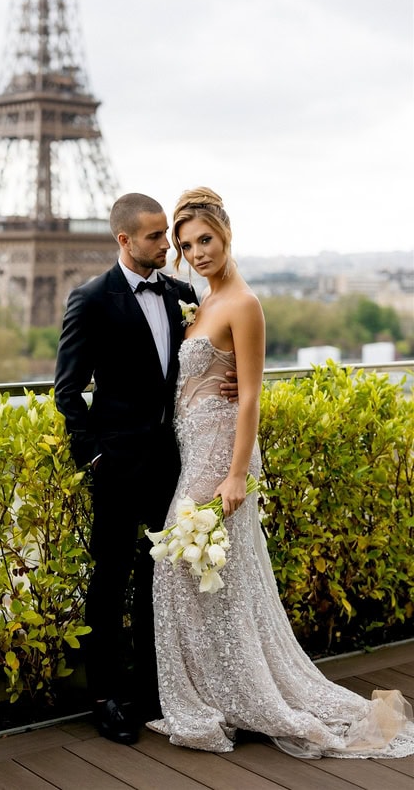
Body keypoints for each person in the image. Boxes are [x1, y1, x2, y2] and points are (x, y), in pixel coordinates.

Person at [148, 185, 414, 758]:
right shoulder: (201, 301)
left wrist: (237, 472)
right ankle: (223, 695)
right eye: (186, 245)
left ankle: (239, 696)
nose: (197, 253)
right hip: (194, 452)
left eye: (205, 241)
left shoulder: (243, 304)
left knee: (186, 572)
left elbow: (250, 399)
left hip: (221, 455)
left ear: (226, 235)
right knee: (206, 579)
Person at [54, 192, 238, 745]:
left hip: (174, 463)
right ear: (124, 240)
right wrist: (94, 452)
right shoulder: (89, 300)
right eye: (158, 237)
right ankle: (105, 697)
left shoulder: (183, 294)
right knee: (108, 579)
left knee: (164, 577)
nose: (169, 246)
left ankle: (155, 688)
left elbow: (212, 357)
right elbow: (66, 391)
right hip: (116, 465)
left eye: (170, 236)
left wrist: (229, 384)